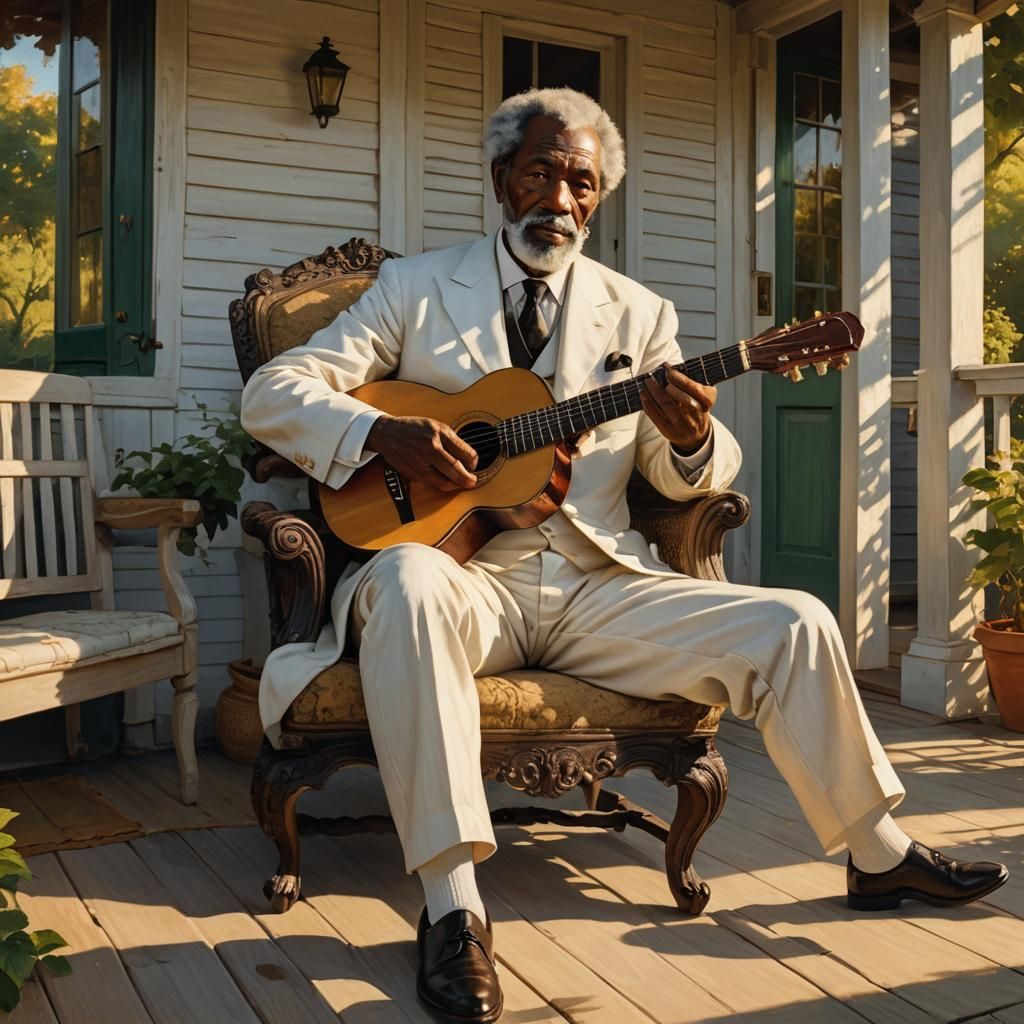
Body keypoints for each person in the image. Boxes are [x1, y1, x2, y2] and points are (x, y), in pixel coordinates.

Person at [241, 87, 1008, 1024]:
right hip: (459, 575)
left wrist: (690, 440)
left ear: (595, 201)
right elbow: (275, 391)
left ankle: (879, 853)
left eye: (581, 183)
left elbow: (681, 475)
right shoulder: (412, 290)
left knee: (796, 619)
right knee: (403, 579)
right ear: (500, 180)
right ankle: (453, 909)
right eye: (540, 172)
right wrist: (379, 434)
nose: (558, 199)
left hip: (595, 584)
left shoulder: (638, 312)